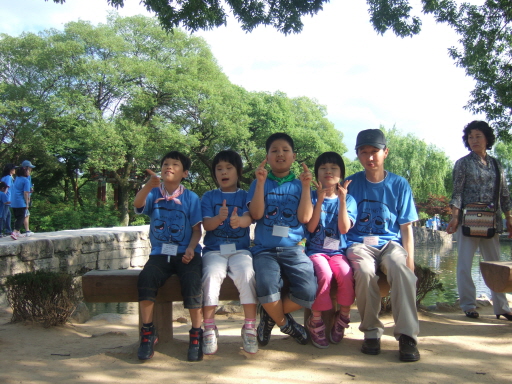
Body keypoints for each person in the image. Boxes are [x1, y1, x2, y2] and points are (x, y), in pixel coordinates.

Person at [345, 129, 420, 362]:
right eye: (364, 152)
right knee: (365, 272)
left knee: (402, 269)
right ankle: (371, 332)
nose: (370, 157)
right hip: (359, 244)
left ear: (385, 152)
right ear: (357, 155)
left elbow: (406, 228)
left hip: (390, 243)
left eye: (374, 151)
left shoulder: (399, 184)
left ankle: (407, 336)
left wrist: (411, 262)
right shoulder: (351, 183)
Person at [247, 132, 317, 347]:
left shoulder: (300, 185)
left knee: (308, 291)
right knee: (267, 286)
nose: (280, 154)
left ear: (293, 156)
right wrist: (260, 183)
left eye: (285, 150)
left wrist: (306, 187)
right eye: (274, 151)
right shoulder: (258, 183)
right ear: (267, 157)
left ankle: (269, 317)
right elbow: (257, 215)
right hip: (264, 251)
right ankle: (286, 325)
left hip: (294, 250)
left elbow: (305, 218)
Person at [134, 151, 204, 362]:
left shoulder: (191, 197)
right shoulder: (154, 194)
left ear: (185, 173)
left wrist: (191, 248)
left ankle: (196, 333)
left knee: (193, 281)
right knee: (146, 278)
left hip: (186, 253)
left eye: (175, 164)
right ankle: (147, 332)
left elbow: (197, 230)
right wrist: (148, 185)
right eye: (165, 164)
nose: (169, 167)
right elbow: (138, 204)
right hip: (159, 254)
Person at [446, 120, 512, 321]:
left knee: (496, 266)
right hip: (468, 220)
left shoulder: (496, 164)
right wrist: (455, 217)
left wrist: (509, 217)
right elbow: (457, 193)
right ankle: (468, 305)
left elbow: (504, 194)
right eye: (470, 137)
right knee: (465, 265)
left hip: (492, 221)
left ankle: (501, 307)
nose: (473, 140)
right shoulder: (463, 163)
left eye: (478, 136)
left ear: (487, 139)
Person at [201, 150, 258, 355]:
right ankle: (208, 327)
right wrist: (219, 218)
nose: (224, 172)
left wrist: (238, 221)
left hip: (240, 251)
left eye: (229, 168)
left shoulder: (244, 195)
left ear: (238, 172)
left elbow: (249, 218)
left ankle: (250, 326)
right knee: (210, 275)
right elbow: (206, 225)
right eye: (219, 169)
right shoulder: (209, 196)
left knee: (246, 274)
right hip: (214, 251)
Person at [302, 152, 357, 348]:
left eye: (334, 168)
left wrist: (341, 201)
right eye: (323, 168)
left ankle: (343, 316)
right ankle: (316, 319)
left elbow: (343, 228)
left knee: (345, 273)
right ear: (317, 173)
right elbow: (310, 227)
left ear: (341, 174)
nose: (328, 172)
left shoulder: (349, 200)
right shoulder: (310, 196)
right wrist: (319, 201)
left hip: (338, 252)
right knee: (323, 273)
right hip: (316, 250)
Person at [10, 166, 32, 240]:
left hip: (13, 200)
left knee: (17, 216)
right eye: (28, 171)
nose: (29, 172)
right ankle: (15, 231)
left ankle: (18, 232)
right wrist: (27, 203)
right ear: (25, 172)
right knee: (21, 217)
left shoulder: (16, 179)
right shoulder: (26, 181)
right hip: (20, 201)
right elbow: (26, 193)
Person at [20, 160, 35, 236]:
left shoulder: (18, 178)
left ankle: (18, 231)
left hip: (22, 198)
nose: (31, 169)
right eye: (30, 168)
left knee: (21, 214)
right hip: (24, 198)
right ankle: (27, 230)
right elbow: (26, 191)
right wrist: (27, 200)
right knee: (26, 214)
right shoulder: (26, 177)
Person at [0, 164, 16, 236]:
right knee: (4, 215)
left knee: (8, 215)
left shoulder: (4, 177)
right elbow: (6, 188)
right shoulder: (9, 178)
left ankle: (8, 229)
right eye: (14, 169)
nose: (15, 170)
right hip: (6, 199)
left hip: (5, 198)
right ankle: (2, 231)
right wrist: (4, 198)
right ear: (10, 170)